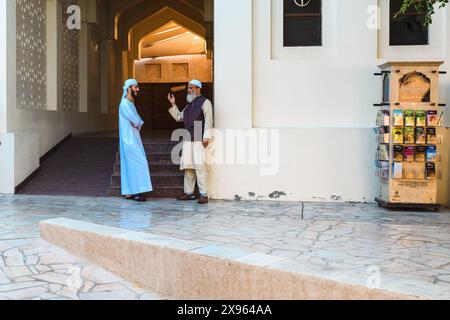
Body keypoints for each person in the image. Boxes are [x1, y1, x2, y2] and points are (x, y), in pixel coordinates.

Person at [167, 80, 213, 204]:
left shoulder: (206, 102)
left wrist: (206, 137)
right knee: (188, 167)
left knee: (200, 167)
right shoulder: (189, 105)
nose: (188, 90)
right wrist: (173, 104)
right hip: (188, 138)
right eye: (188, 88)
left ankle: (204, 194)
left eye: (191, 88)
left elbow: (208, 120)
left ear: (198, 89)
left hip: (199, 138)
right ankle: (189, 193)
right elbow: (178, 117)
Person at [118, 79, 153, 202]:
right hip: (129, 140)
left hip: (134, 138)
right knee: (139, 163)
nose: (138, 89)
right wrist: (137, 123)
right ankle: (137, 192)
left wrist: (137, 123)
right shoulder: (125, 104)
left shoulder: (130, 103)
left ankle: (129, 192)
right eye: (135, 87)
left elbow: (138, 121)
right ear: (128, 88)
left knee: (132, 165)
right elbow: (137, 121)